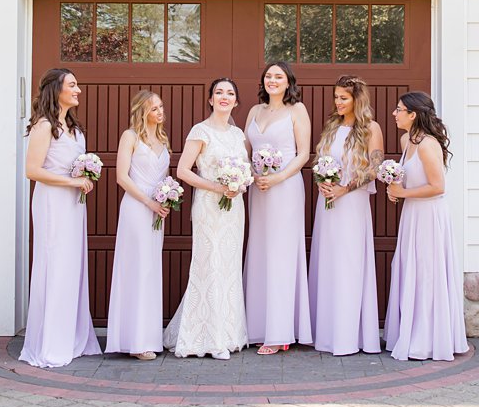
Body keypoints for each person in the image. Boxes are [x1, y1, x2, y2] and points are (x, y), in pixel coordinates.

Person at [20, 68, 102, 368]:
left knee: (72, 266)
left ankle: (73, 337)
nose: (78, 90)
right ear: (57, 90)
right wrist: (72, 182)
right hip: (53, 203)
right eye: (72, 85)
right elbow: (32, 171)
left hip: (73, 204)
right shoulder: (45, 126)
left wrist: (83, 175)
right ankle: (51, 343)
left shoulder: (73, 128)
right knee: (55, 266)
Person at [164, 78, 249, 359]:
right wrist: (217, 187)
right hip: (209, 207)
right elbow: (183, 171)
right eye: (219, 93)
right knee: (208, 264)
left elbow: (246, 171)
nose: (224, 97)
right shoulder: (200, 131)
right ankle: (206, 338)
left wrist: (241, 184)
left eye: (230, 94)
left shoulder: (239, 135)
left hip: (234, 209)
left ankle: (229, 334)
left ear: (236, 101)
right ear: (211, 99)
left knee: (229, 266)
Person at [384, 92, 468, 362]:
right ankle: (409, 331)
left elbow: (437, 187)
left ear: (413, 114)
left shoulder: (428, 144)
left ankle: (428, 339)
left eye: (399, 110)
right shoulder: (406, 140)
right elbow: (411, 180)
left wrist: (403, 193)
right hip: (412, 215)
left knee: (428, 272)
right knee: (412, 269)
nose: (394, 114)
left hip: (430, 216)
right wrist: (395, 191)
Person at [309, 77, 386, 356]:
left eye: (343, 98)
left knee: (349, 263)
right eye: (336, 97)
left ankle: (349, 335)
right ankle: (327, 333)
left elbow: (375, 167)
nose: (338, 102)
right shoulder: (333, 127)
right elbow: (321, 161)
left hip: (352, 203)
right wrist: (322, 180)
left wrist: (345, 188)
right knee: (328, 262)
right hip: (328, 202)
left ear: (357, 100)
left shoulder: (370, 128)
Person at [244, 60, 313, 354]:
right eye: (269, 76)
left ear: (288, 82)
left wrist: (278, 177)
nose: (272, 80)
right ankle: (259, 326)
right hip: (258, 190)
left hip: (285, 188)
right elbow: (245, 151)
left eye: (279, 76)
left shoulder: (297, 110)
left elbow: (303, 154)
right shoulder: (254, 111)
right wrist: (253, 174)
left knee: (282, 254)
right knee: (259, 251)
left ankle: (280, 331)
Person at [105, 90, 171, 360]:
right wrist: (148, 202)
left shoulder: (163, 139)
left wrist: (166, 197)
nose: (159, 111)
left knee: (150, 269)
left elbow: (164, 177)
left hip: (157, 211)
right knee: (136, 268)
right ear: (141, 111)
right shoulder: (129, 136)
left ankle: (148, 336)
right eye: (154, 108)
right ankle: (134, 341)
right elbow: (122, 177)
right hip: (136, 207)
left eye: (161, 106)